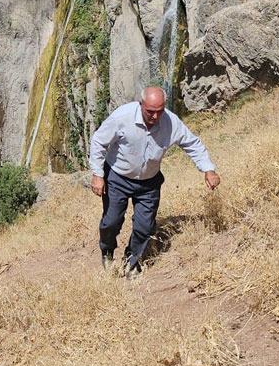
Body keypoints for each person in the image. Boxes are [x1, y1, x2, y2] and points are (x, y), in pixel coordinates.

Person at [89, 86, 220, 276]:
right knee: (111, 222)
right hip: (117, 177)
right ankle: (107, 252)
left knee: (145, 227)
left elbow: (192, 143)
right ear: (140, 104)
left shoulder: (171, 122)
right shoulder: (122, 117)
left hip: (149, 182)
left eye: (159, 111)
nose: (155, 116)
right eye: (150, 111)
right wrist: (97, 174)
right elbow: (99, 141)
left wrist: (208, 169)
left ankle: (131, 262)